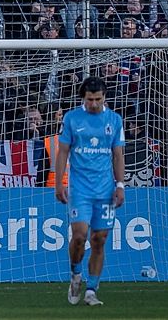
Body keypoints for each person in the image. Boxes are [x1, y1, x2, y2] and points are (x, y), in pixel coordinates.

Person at [54, 76, 125, 307]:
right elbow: (63, 151)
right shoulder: (72, 118)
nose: (93, 103)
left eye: (97, 99)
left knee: (99, 239)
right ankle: (76, 275)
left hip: (105, 189)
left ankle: (92, 290)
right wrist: (59, 183)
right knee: (79, 236)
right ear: (82, 98)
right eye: (89, 99)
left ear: (104, 97)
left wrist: (120, 185)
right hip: (80, 189)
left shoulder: (114, 120)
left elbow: (118, 155)